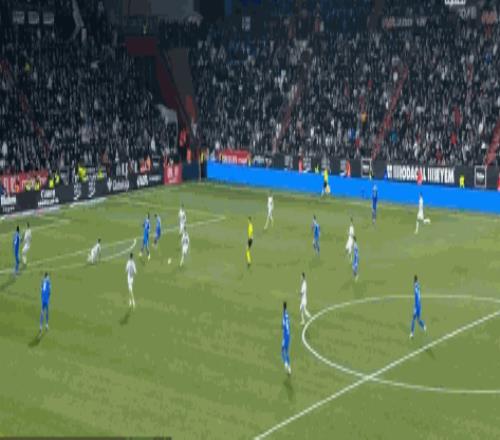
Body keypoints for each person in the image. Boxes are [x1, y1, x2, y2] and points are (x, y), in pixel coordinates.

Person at [281, 301, 291, 375]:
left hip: (285, 337)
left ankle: (285, 363)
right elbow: (288, 324)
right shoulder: (287, 315)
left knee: (282, 351)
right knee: (287, 352)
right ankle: (289, 368)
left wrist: (282, 326)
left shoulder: (284, 316)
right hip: (288, 335)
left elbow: (283, 325)